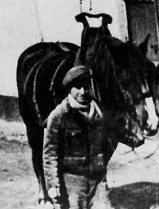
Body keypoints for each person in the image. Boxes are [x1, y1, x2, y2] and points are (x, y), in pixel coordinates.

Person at [42, 65, 110, 209]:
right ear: (69, 88)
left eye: (86, 86)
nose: (83, 91)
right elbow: (50, 155)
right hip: (72, 184)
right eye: (77, 87)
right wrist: (53, 186)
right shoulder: (59, 115)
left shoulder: (99, 112)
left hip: (98, 181)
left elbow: (105, 145)